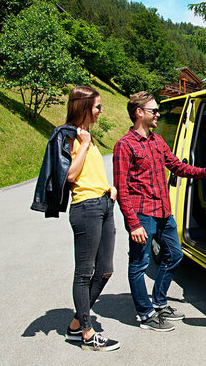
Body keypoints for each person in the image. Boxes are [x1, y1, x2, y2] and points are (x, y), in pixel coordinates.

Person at [113, 91, 206, 332]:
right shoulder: (124, 145)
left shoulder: (157, 141)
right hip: (142, 214)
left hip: (164, 212)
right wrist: (133, 224)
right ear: (139, 113)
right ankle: (145, 313)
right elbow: (122, 190)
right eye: (154, 110)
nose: (158, 114)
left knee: (175, 254)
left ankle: (160, 302)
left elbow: (177, 166)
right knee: (139, 264)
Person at [32, 86, 120, 351]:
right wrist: (82, 145)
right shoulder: (67, 135)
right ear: (83, 107)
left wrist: (109, 187)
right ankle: (86, 332)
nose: (101, 111)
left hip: (104, 203)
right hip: (86, 208)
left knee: (105, 269)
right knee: (84, 272)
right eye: (97, 107)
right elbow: (70, 176)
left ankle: (74, 326)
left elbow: (91, 172)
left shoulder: (88, 135)